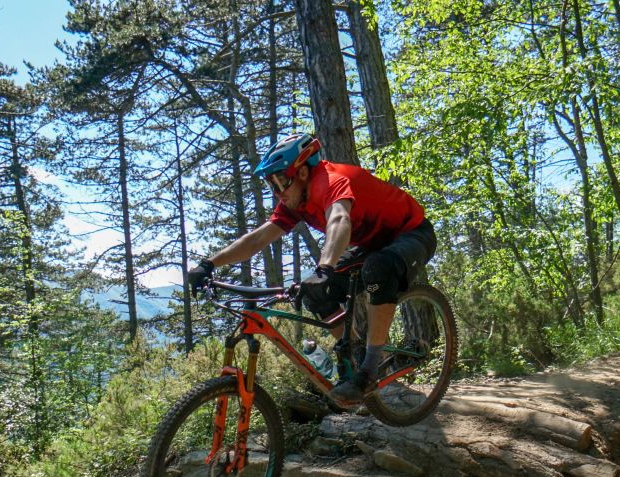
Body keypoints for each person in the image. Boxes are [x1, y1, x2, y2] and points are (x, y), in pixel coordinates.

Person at [187, 133, 437, 408]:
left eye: (281, 181)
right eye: (272, 184)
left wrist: (326, 266)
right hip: (373, 243)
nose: (278, 191)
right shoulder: (297, 200)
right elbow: (258, 239)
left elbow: (340, 219)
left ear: (303, 172)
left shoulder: (332, 181)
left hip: (412, 232)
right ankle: (352, 354)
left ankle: (368, 371)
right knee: (314, 294)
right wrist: (209, 264)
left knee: (378, 270)